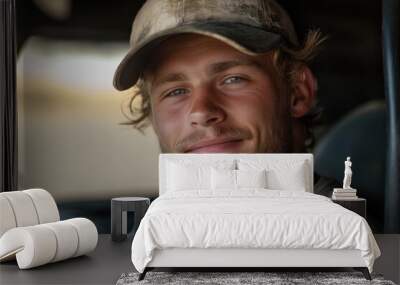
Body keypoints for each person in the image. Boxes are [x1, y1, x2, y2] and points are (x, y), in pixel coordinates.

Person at [113, 0, 338, 196]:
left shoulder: (350, 234)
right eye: (176, 92)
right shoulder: (153, 236)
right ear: (152, 115)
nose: (201, 112)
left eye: (233, 79)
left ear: (298, 92)